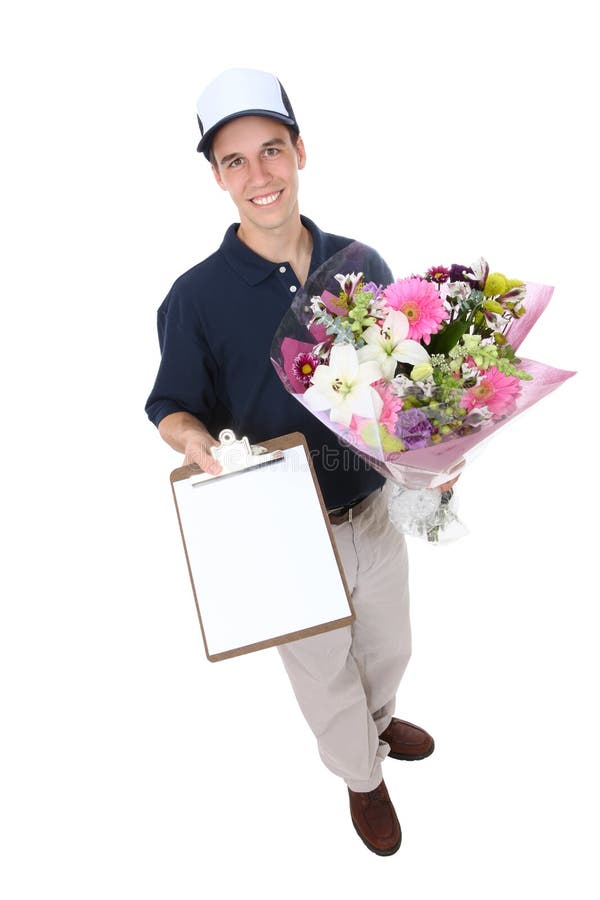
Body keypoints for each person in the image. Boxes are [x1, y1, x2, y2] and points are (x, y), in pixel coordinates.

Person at [145, 67, 435, 857]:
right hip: (280, 526)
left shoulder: (361, 263)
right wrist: (191, 439)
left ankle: (377, 723)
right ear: (216, 177)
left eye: (270, 150)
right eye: (234, 160)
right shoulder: (196, 297)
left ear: (301, 151)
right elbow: (170, 404)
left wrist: (439, 448)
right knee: (322, 672)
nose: (257, 175)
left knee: (388, 644)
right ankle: (361, 777)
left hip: (370, 506)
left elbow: (406, 380)